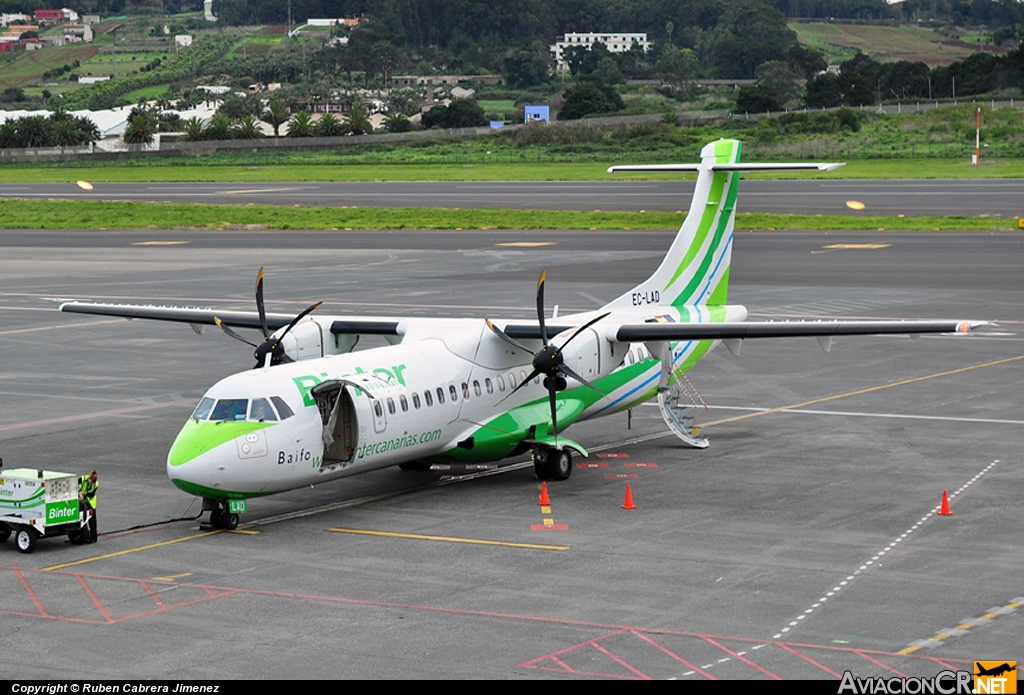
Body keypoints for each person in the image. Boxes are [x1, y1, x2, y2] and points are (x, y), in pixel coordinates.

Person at [78, 470, 98, 544]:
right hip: (81, 500)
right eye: (90, 481)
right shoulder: (82, 479)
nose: (91, 483)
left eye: (93, 482)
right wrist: (80, 494)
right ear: (89, 478)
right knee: (81, 516)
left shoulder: (96, 484)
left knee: (92, 520)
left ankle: (94, 537)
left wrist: (84, 493)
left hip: (91, 502)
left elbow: (91, 494)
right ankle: (83, 534)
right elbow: (77, 487)